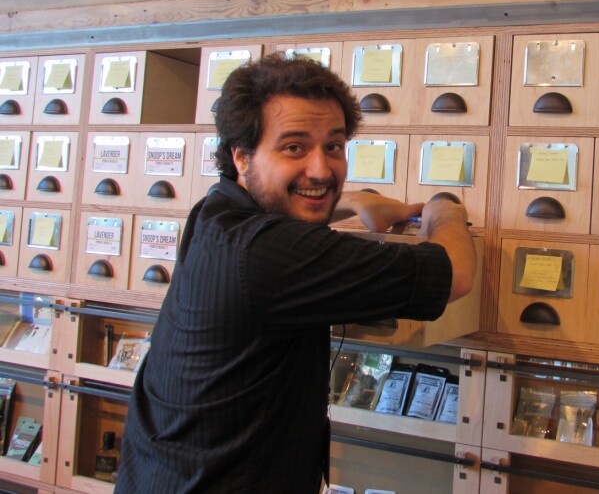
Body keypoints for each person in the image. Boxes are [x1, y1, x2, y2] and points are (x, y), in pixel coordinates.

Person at [115, 55, 476, 493]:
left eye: (334, 147)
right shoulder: (269, 255)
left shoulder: (217, 213)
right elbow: (455, 274)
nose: (322, 170)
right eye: (294, 147)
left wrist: (352, 200)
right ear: (242, 157)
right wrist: (444, 208)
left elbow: (278, 207)